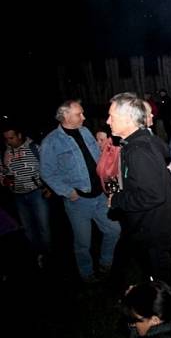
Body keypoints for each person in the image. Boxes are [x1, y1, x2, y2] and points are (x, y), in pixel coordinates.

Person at [106, 92, 171, 292]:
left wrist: (118, 199)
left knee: (163, 287)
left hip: (152, 230)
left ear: (128, 118)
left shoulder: (138, 150)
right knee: (161, 283)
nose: (107, 121)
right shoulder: (138, 144)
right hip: (151, 227)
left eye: (111, 117)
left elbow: (153, 194)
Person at [40, 99, 121, 282]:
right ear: (66, 116)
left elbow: (97, 159)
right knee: (83, 242)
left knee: (114, 230)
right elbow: (47, 173)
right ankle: (87, 274)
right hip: (78, 201)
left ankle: (105, 263)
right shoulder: (51, 142)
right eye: (79, 114)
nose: (84, 117)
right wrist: (68, 192)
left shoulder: (84, 132)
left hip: (99, 196)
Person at [1, 124, 51, 263]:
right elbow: (3, 172)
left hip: (37, 193)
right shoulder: (5, 152)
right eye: (6, 138)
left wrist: (49, 187)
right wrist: (4, 180)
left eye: (11, 138)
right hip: (18, 196)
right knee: (28, 229)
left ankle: (48, 255)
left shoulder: (35, 148)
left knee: (43, 227)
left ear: (19, 135)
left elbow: (48, 167)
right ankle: (37, 255)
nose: (8, 141)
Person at [95, 127, 121, 195]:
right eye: (97, 140)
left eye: (101, 140)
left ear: (110, 140)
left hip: (117, 191)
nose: (98, 143)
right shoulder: (99, 153)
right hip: (105, 192)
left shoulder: (116, 152)